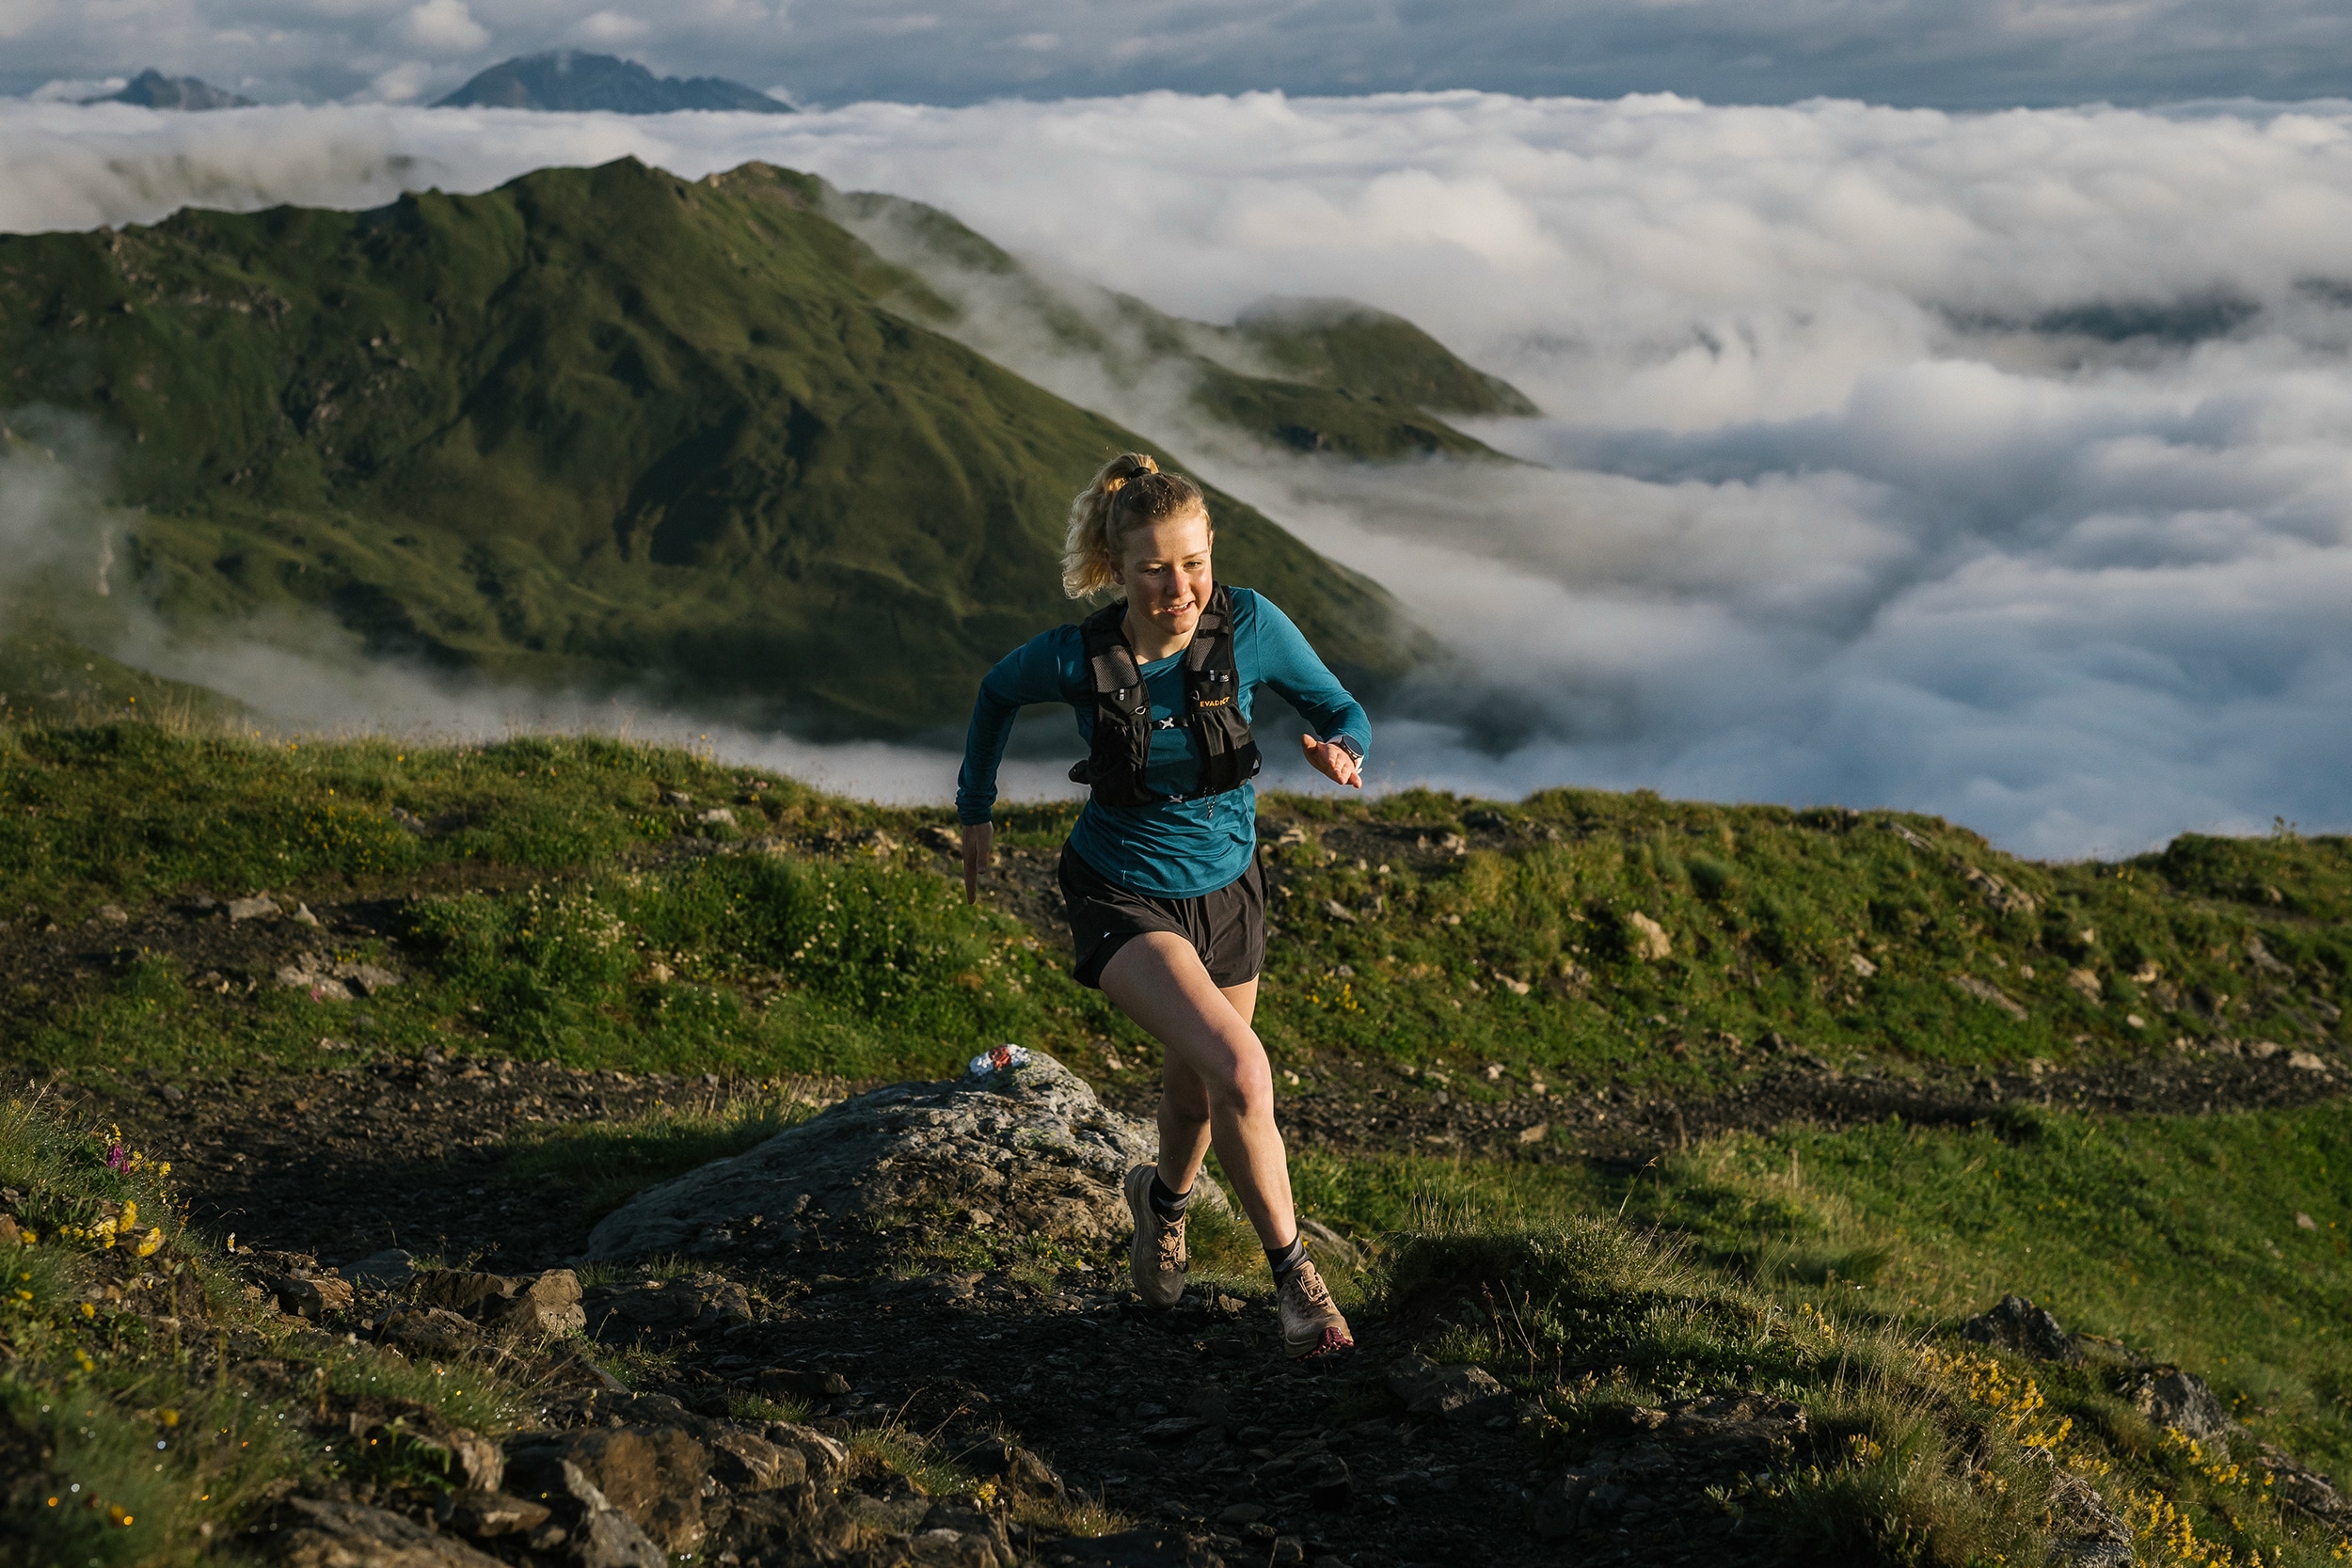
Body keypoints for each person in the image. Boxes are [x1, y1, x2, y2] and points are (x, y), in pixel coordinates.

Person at [955, 452, 1368, 1359]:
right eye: (1152, 568)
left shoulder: (1250, 625)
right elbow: (993, 693)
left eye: (1193, 563)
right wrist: (975, 808)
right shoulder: (1078, 654)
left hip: (1229, 890)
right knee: (1245, 1071)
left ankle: (1163, 1205)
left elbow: (1344, 705)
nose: (1177, 587)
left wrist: (1341, 748)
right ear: (1117, 563)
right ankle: (1297, 1283)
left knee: (1197, 1087)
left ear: (1212, 550)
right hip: (1121, 891)